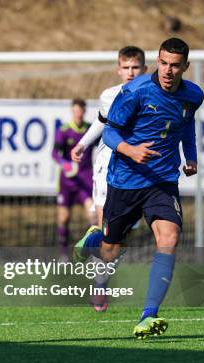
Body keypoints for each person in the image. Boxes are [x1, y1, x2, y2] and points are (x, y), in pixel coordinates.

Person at [74, 38, 203, 339]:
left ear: (185, 66)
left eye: (175, 65)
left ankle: (148, 315)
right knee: (111, 249)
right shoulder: (135, 92)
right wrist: (130, 151)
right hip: (125, 180)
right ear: (157, 61)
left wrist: (192, 156)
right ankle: (96, 241)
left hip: (162, 181)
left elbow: (187, 125)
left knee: (169, 238)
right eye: (164, 63)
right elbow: (110, 132)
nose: (169, 70)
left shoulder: (193, 95)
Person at [70, 46, 147, 311]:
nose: (130, 72)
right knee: (109, 228)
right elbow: (101, 122)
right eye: (125, 67)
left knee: (121, 237)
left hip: (135, 173)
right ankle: (100, 285)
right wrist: (82, 144)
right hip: (106, 166)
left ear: (144, 70)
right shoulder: (109, 95)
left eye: (135, 67)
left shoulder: (153, 95)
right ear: (118, 69)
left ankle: (98, 267)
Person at [52, 99, 94, 256]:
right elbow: (55, 154)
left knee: (93, 215)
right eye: (75, 110)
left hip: (86, 179)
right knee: (64, 218)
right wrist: (65, 164)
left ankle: (92, 252)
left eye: (80, 110)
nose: (78, 113)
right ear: (72, 111)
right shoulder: (64, 130)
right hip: (67, 181)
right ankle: (64, 254)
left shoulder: (90, 130)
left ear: (84, 111)